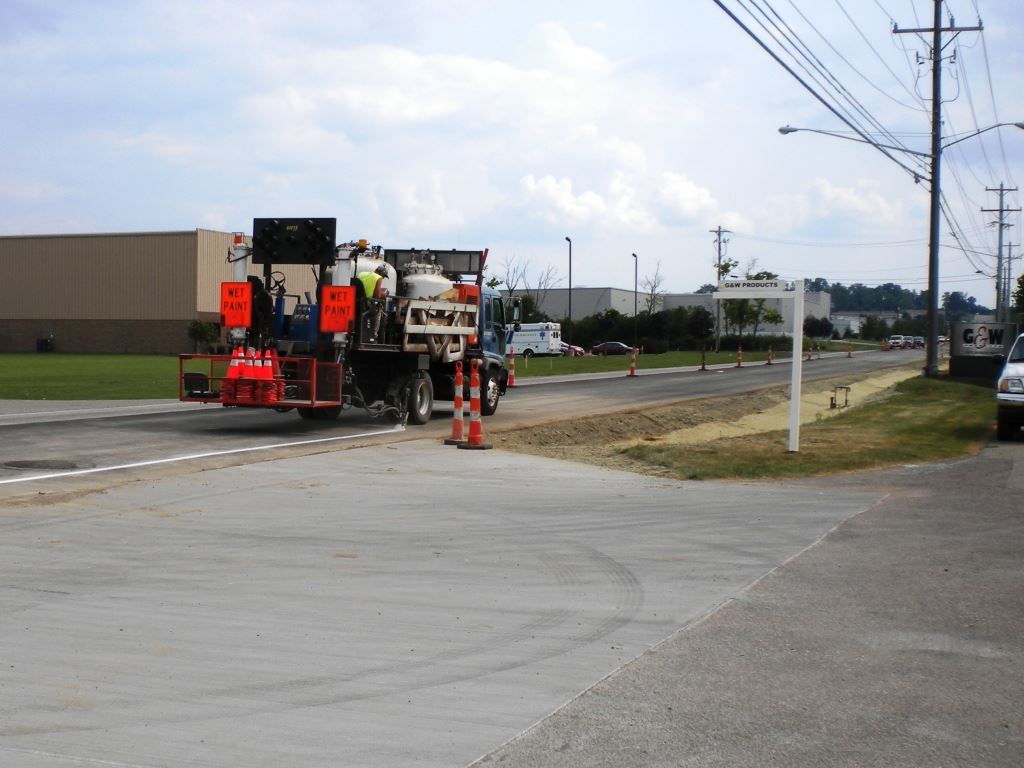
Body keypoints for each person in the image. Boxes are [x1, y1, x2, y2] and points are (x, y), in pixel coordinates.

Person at [356, 263, 390, 342]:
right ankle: (374, 335)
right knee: (380, 310)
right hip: (367, 303)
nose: (383, 278)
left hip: (357, 302)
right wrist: (384, 294)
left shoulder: (361, 274)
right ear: (382, 274)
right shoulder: (378, 278)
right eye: (384, 276)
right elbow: (377, 296)